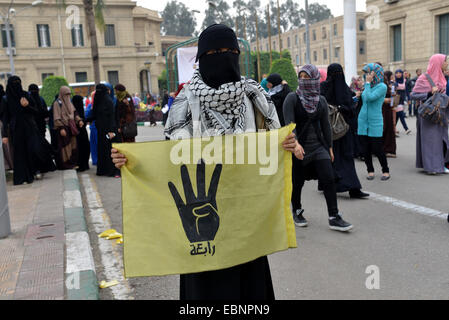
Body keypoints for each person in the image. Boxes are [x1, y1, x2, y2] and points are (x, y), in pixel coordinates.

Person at [112, 24, 305, 300]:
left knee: (249, 291)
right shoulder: (184, 100)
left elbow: (274, 140)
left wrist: (289, 143)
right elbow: (170, 160)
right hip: (202, 221)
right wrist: (132, 162)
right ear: (202, 58)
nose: (223, 57)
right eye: (214, 52)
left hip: (245, 222)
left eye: (229, 51)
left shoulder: (254, 96)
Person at [283, 64, 353, 231]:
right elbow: (289, 125)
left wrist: (329, 147)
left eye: (307, 77)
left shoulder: (320, 100)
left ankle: (334, 216)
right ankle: (297, 211)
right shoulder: (292, 99)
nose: (304, 80)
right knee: (297, 182)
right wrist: (296, 145)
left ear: (315, 79)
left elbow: (326, 126)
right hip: (298, 147)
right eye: (301, 77)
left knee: (328, 178)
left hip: (318, 148)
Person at [320, 63, 369, 199]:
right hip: (342, 130)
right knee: (341, 158)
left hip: (332, 130)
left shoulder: (324, 88)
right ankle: (339, 186)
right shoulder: (344, 89)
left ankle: (353, 188)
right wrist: (342, 108)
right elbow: (351, 109)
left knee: (337, 158)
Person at [1, 76, 55, 184]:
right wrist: (4, 135)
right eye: (14, 83)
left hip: (29, 127)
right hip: (16, 129)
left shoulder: (26, 95)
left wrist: (27, 106)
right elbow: (5, 117)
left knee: (33, 149)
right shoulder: (6, 99)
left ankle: (36, 170)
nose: (17, 85)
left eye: (18, 82)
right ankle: (23, 177)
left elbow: (36, 111)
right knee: (20, 153)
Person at [411, 54, 449, 175]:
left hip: (441, 113)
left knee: (442, 139)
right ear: (438, 62)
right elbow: (413, 94)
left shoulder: (442, 77)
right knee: (430, 141)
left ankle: (440, 164)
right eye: (445, 61)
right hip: (428, 114)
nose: (446, 63)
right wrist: (428, 93)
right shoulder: (423, 78)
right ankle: (432, 167)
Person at [358, 63, 390, 181]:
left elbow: (369, 98)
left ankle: (385, 170)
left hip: (375, 120)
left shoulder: (382, 86)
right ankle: (370, 171)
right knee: (365, 149)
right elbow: (363, 99)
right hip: (362, 120)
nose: (367, 75)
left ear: (376, 73)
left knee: (377, 148)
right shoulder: (367, 85)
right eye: (366, 73)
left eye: (369, 72)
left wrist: (366, 84)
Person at [87, 84, 119, 177]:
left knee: (108, 149)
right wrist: (84, 120)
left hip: (108, 131)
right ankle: (103, 170)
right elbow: (94, 115)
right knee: (102, 149)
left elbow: (112, 117)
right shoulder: (98, 100)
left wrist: (111, 130)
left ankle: (111, 171)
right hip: (100, 130)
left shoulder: (108, 101)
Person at [53, 86, 83, 170]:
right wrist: (61, 128)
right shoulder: (57, 103)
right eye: (66, 94)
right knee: (65, 147)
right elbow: (56, 117)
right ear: (62, 94)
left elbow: (74, 113)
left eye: (69, 94)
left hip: (71, 127)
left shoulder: (69, 102)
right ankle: (65, 165)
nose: (68, 96)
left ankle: (72, 163)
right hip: (63, 127)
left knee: (73, 145)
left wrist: (79, 120)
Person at [72, 95, 90, 172]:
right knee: (82, 148)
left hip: (80, 133)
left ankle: (83, 165)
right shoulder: (75, 111)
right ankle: (83, 165)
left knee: (83, 148)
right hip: (80, 133)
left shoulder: (76, 110)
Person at [382, 71, 397, 158]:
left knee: (389, 128)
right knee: (385, 128)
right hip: (383, 109)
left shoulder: (388, 84)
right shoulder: (382, 83)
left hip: (388, 109)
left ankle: (389, 149)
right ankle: (386, 149)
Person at [393, 70, 411, 135]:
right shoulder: (394, 82)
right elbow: (392, 91)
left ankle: (393, 128)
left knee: (398, 115)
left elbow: (407, 91)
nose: (398, 74)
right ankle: (406, 129)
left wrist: (409, 99)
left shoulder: (404, 81)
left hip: (402, 100)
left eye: (399, 73)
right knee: (401, 114)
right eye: (396, 73)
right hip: (396, 100)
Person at [0, 84, 13, 171]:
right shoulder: (6, 97)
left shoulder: (4, 99)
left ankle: (8, 165)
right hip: (9, 124)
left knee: (6, 147)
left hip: (4, 125)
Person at [85, 92, 98, 166]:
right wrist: (91, 109)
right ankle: (95, 160)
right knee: (94, 145)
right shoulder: (90, 105)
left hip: (100, 127)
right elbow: (87, 116)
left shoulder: (103, 104)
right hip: (94, 127)